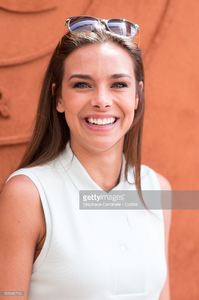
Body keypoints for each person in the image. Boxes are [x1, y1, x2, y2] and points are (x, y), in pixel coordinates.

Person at [0, 16, 171, 300]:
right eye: (82, 85)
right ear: (58, 98)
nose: (102, 100)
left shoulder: (157, 190)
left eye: (119, 85)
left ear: (137, 96)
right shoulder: (27, 194)